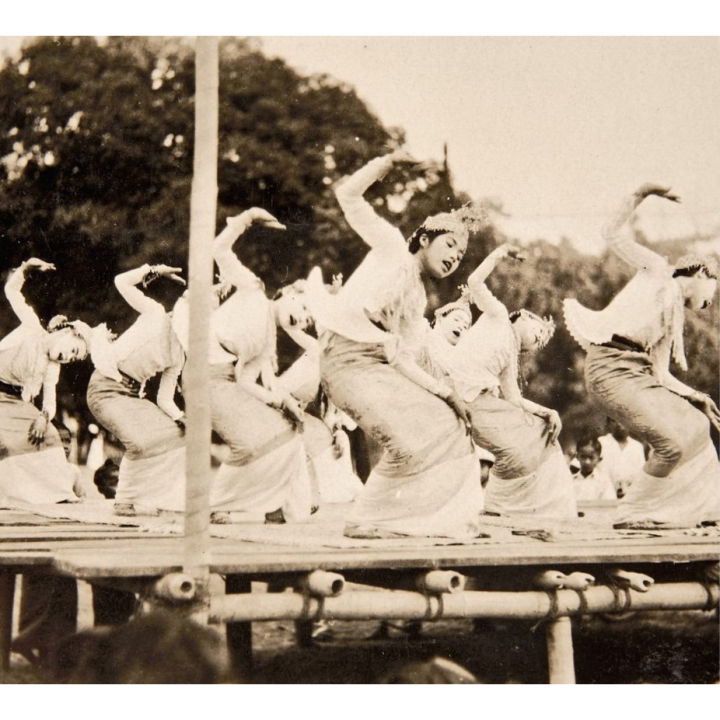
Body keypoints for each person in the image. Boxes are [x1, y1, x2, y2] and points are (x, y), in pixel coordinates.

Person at [308, 149, 484, 539]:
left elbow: (404, 358)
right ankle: (364, 518)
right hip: (343, 362)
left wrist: (446, 393)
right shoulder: (389, 246)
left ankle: (426, 519)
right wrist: (387, 163)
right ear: (423, 238)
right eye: (450, 245)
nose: (455, 257)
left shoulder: (418, 299)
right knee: (405, 441)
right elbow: (347, 196)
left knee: (449, 423)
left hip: (377, 368)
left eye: (461, 254)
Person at [563, 184, 720, 527]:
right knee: (670, 445)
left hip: (638, 373)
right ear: (701, 273)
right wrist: (642, 193)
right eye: (714, 289)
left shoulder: (674, 317)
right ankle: (633, 511)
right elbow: (611, 233)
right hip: (608, 368)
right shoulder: (657, 269)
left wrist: (699, 398)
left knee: (696, 424)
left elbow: (661, 375)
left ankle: (702, 509)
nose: (711, 302)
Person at [173, 208, 313, 524]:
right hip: (201, 373)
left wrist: (283, 402)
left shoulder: (267, 347)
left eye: (308, 319)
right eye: (303, 307)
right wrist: (245, 220)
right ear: (288, 293)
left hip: (222, 379)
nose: (303, 318)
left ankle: (276, 504)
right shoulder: (252, 287)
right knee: (248, 443)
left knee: (286, 430)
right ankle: (213, 505)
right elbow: (218, 250)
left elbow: (249, 382)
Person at [434, 243, 577, 519]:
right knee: (522, 439)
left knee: (536, 431)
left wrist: (546, 411)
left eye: (543, 341)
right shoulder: (498, 315)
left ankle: (505, 504)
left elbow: (512, 399)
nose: (540, 339)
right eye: (539, 329)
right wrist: (498, 254)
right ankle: (502, 503)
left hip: (480, 401)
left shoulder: (512, 357)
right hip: (461, 392)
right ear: (522, 316)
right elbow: (475, 281)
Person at [86, 263, 187, 516]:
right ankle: (124, 500)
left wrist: (180, 417)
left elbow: (164, 398)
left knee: (177, 436)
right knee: (139, 442)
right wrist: (154, 270)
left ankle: (168, 500)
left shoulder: (179, 355)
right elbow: (121, 281)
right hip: (104, 389)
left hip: (132, 396)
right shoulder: (156, 313)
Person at [0, 258, 91, 505]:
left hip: (15, 402)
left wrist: (43, 417)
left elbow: (49, 397)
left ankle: (56, 491)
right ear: (65, 332)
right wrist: (26, 270)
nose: (68, 358)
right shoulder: (32, 327)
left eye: (74, 359)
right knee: (6, 442)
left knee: (49, 435)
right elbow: (11, 292)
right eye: (73, 350)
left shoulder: (52, 365)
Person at [598, 417, 646, 498]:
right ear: (609, 423)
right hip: (604, 494)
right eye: (614, 420)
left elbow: (641, 475)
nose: (619, 424)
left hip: (630, 495)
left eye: (624, 420)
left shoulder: (637, 446)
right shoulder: (601, 442)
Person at [571, 433, 617, 502]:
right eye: (583, 457)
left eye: (591, 458)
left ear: (599, 459)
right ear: (577, 457)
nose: (587, 462)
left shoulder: (604, 482)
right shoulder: (570, 480)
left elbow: (608, 506)